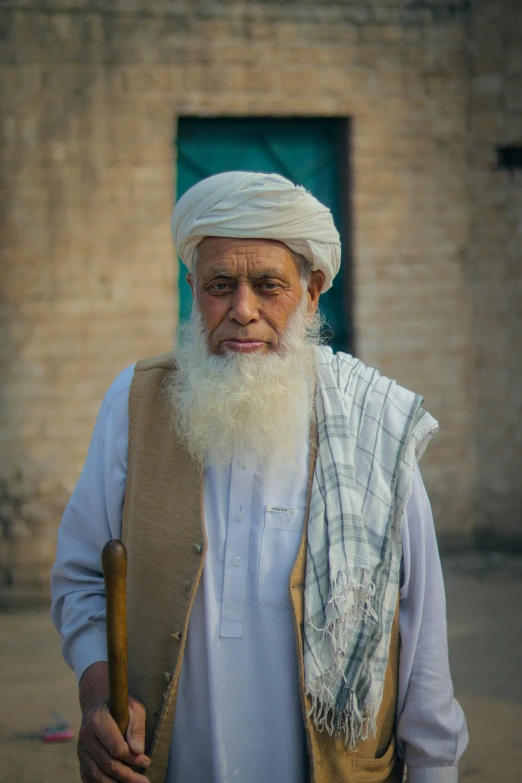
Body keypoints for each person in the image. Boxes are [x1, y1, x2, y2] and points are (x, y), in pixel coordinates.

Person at [51, 171, 468, 783]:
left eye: (268, 285)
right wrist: (95, 699)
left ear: (312, 291)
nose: (242, 310)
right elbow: (82, 578)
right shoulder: (135, 403)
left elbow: (422, 640)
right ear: (193, 290)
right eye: (220, 285)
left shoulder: (377, 424)